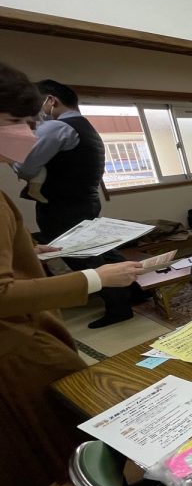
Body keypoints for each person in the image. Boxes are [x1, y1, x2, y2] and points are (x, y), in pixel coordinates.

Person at [0, 62, 143, 486]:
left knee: (16, 453)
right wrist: (93, 279)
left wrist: (28, 251)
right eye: (21, 122)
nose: (30, 133)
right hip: (13, 349)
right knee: (80, 411)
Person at [15, 80, 142, 328]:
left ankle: (118, 307)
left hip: (62, 205)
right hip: (86, 200)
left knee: (82, 256)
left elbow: (26, 167)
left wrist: (13, 159)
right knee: (101, 248)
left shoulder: (56, 127)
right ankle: (135, 292)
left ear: (51, 101)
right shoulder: (86, 127)